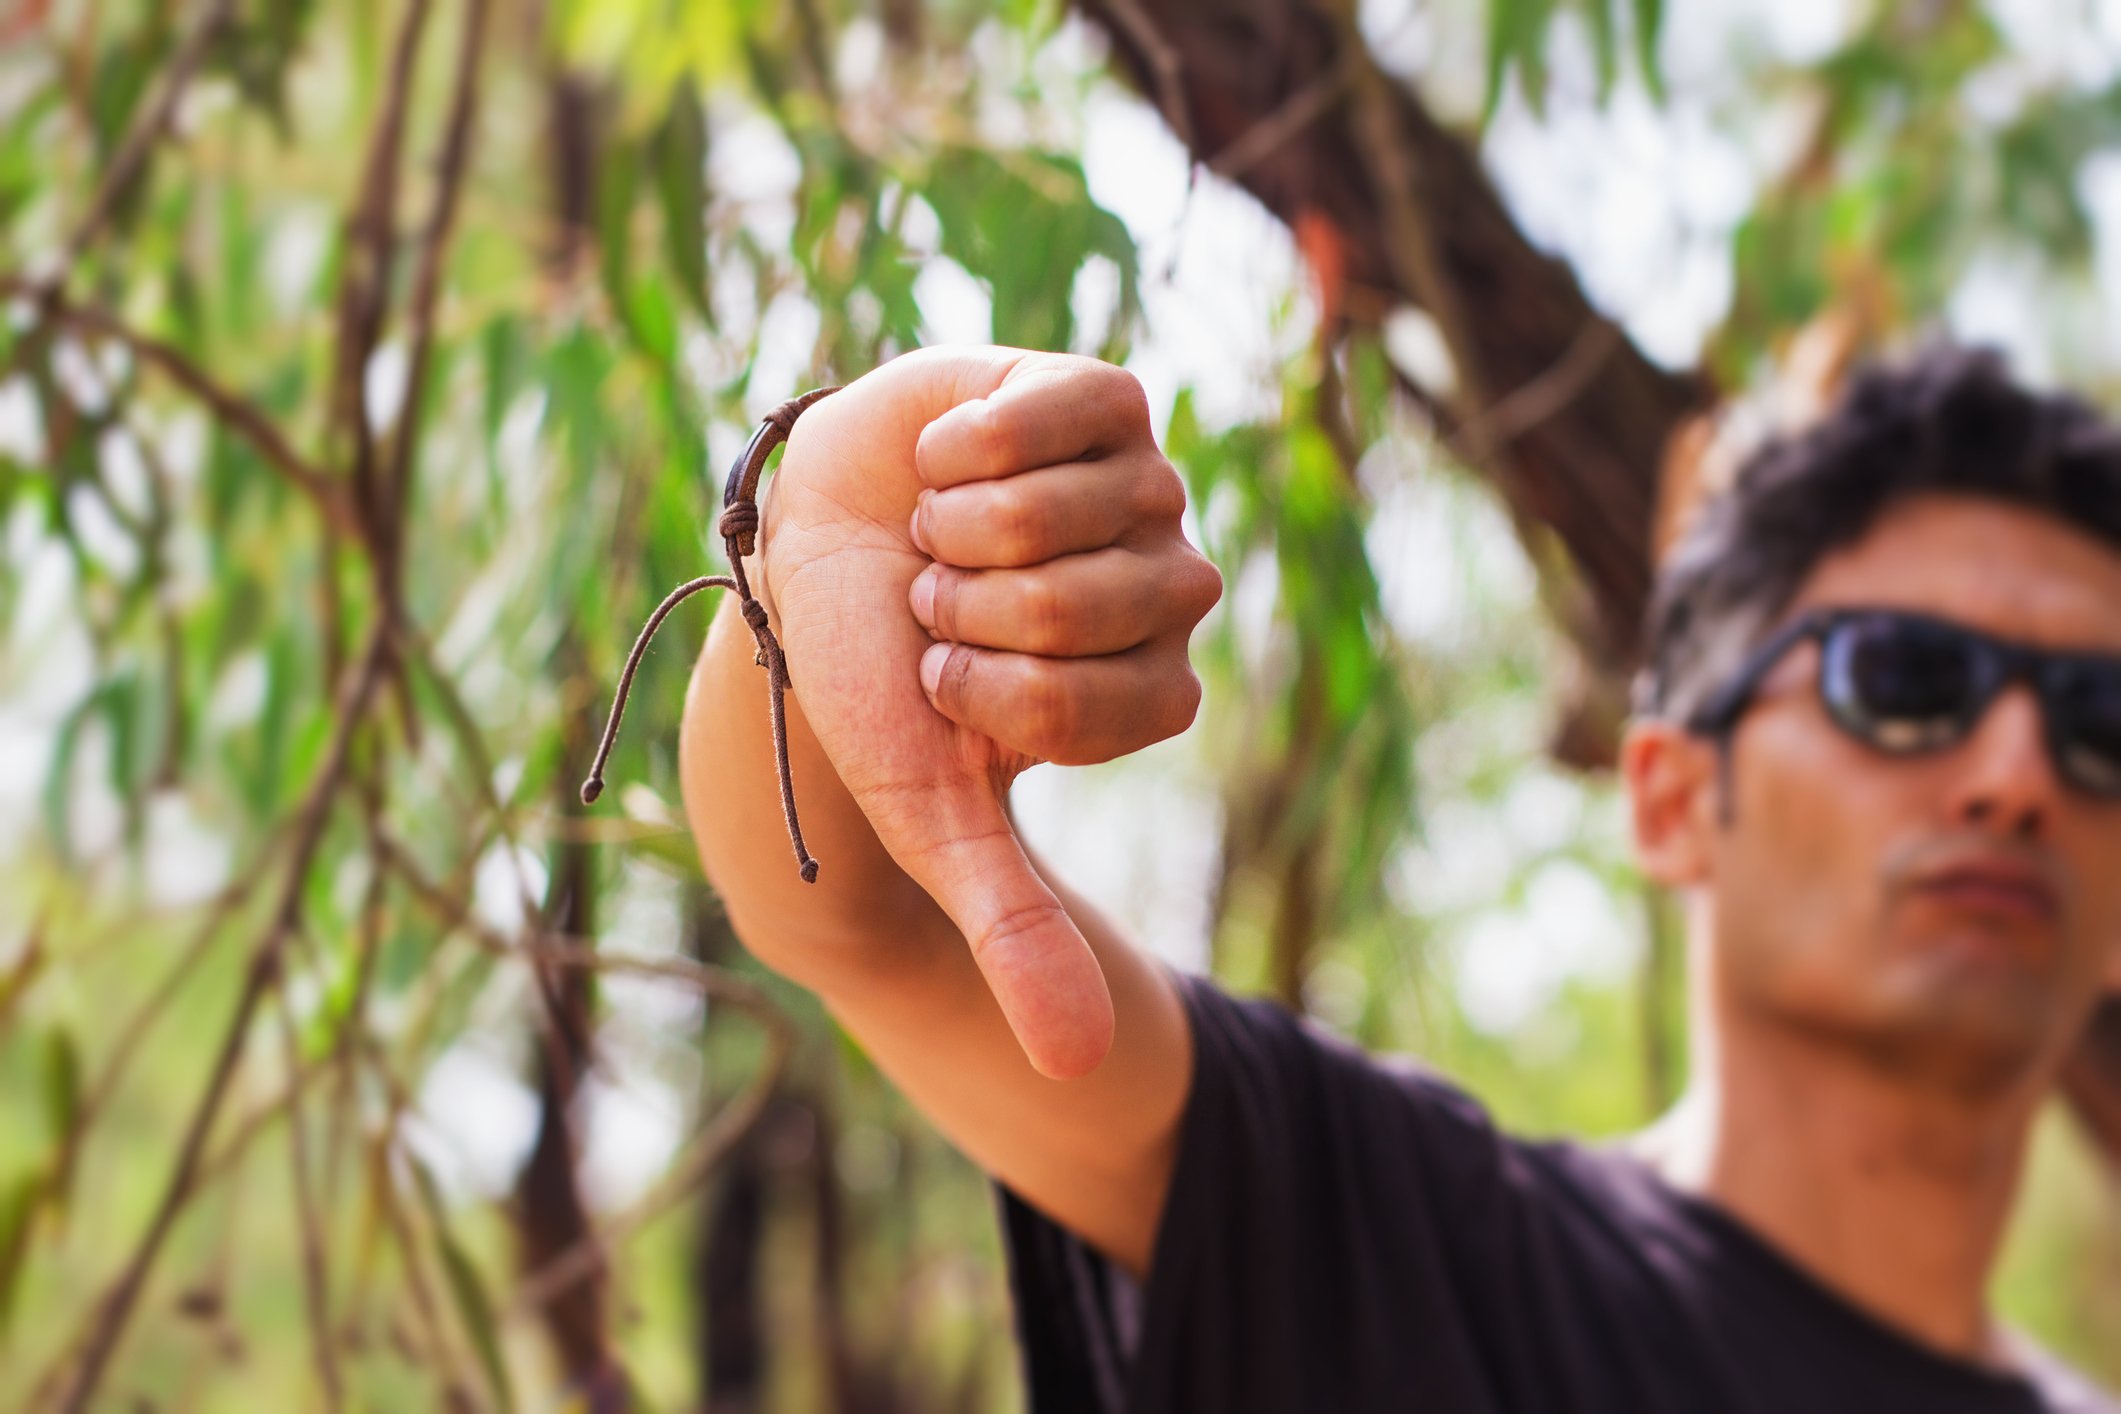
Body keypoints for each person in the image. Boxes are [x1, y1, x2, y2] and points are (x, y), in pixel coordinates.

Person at [677, 341, 2121, 1411]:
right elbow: (860, 913)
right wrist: (826, 567)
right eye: (1907, 679)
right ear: (1676, 798)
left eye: (2098, 721)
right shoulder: (1406, 1244)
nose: (2012, 772)